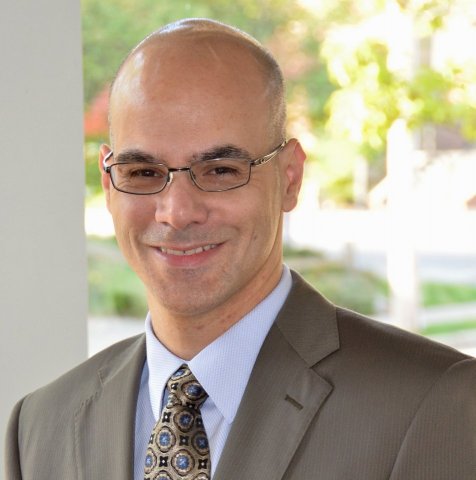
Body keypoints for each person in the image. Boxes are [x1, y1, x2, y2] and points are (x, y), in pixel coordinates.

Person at [5, 18, 476, 480]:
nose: (176, 212)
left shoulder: (435, 404)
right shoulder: (40, 428)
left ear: (290, 177)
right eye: (143, 172)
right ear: (109, 184)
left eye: (220, 171)